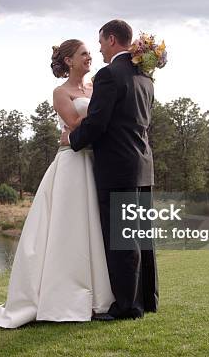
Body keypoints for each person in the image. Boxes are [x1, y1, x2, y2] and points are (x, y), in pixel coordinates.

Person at [0, 39, 114, 328]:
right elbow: (73, 123)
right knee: (69, 229)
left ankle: (98, 298)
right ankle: (64, 297)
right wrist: (102, 117)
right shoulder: (60, 92)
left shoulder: (96, 87)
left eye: (90, 54)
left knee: (94, 226)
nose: (89, 57)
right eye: (83, 54)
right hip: (71, 162)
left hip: (95, 161)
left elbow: (91, 124)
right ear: (69, 61)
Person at [61, 19, 158, 320]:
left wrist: (72, 139)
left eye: (100, 42)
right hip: (142, 165)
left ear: (112, 39)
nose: (99, 49)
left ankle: (127, 307)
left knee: (123, 242)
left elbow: (99, 122)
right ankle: (147, 300)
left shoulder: (109, 75)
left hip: (117, 167)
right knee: (142, 238)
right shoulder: (145, 77)